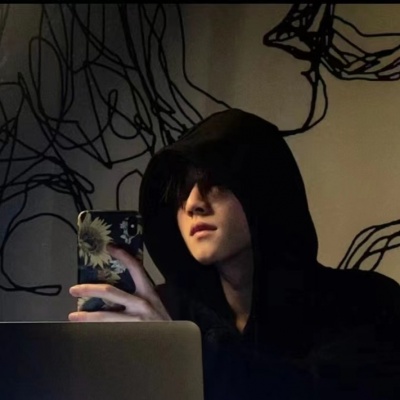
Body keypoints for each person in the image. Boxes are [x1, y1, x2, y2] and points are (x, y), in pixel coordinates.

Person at [69, 109, 400, 399]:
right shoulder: (167, 311)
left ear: (264, 189)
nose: (193, 204)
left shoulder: (366, 302)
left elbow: (318, 390)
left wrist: (180, 350)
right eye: (181, 192)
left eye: (216, 183)